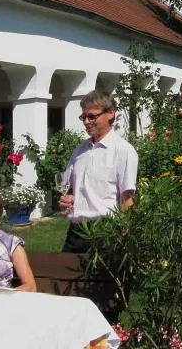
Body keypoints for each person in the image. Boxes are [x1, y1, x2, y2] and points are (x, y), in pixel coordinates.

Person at [59, 89, 139, 253]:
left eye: (92, 116)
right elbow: (70, 190)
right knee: (61, 276)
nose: (87, 122)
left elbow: (127, 199)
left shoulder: (123, 151)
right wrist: (68, 200)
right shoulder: (79, 150)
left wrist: (123, 236)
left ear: (110, 113)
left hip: (105, 230)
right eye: (84, 117)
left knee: (101, 279)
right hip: (76, 231)